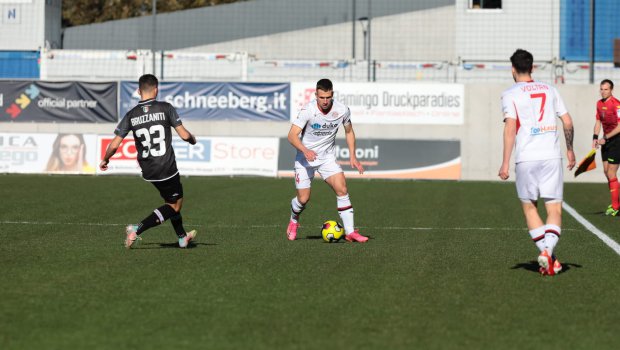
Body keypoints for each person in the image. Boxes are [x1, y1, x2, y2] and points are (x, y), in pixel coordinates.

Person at [498, 49, 576, 276]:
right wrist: (570, 150)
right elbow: (568, 121)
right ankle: (550, 255)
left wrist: (505, 163)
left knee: (530, 207)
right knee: (554, 208)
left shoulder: (510, 93)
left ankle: (546, 253)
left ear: (513, 69)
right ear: (532, 68)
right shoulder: (550, 89)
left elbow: (510, 127)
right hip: (552, 156)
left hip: (526, 158)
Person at [99, 74, 198, 248]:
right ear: (156, 90)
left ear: (139, 91)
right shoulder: (166, 108)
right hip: (166, 167)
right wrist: (193, 139)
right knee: (174, 206)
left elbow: (114, 145)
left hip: (148, 170)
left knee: (172, 202)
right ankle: (136, 229)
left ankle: (182, 237)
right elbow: (184, 135)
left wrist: (105, 159)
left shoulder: (131, 115)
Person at [286, 78, 368, 243]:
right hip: (305, 158)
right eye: (321, 97)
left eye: (328, 97)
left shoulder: (342, 110)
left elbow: (349, 131)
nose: (324, 101)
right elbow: (291, 135)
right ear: (316, 94)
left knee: (342, 188)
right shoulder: (307, 111)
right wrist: (305, 150)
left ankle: (350, 232)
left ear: (332, 95)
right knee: (303, 199)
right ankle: (294, 219)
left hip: (327, 158)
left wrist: (353, 156)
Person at [591, 79, 620, 216]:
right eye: (601, 89)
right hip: (605, 140)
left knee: (611, 173)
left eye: (606, 89)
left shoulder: (617, 105)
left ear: (611, 90)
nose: (603, 91)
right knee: (606, 171)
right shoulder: (598, 103)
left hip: (616, 141)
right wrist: (595, 138)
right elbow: (598, 122)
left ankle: (615, 207)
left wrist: (606, 138)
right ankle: (616, 203)